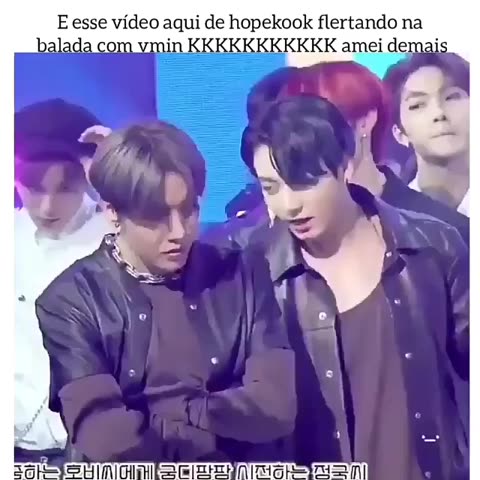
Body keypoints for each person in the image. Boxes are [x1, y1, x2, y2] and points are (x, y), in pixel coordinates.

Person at [35, 121, 295, 463]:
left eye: (189, 210)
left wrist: (179, 411)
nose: (178, 232)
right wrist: (210, 433)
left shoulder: (242, 272)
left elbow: (276, 407)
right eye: (156, 216)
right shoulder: (71, 301)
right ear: (112, 213)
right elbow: (103, 435)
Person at [243, 95, 469, 479]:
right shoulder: (255, 272)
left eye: (304, 182)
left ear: (345, 164)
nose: (289, 204)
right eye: (270, 187)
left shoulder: (433, 245)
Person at [14, 98, 110, 467]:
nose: (47, 206)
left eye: (66, 187)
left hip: (91, 456)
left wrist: (119, 169)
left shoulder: (118, 237)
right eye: (33, 186)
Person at [284, 60, 469, 245]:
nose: (310, 139)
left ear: (365, 120)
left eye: (322, 123)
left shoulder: (444, 232)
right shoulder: (283, 234)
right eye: (300, 128)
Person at [383, 53, 470, 216]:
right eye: (417, 105)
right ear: (400, 133)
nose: (439, 113)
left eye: (452, 97)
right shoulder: (392, 218)